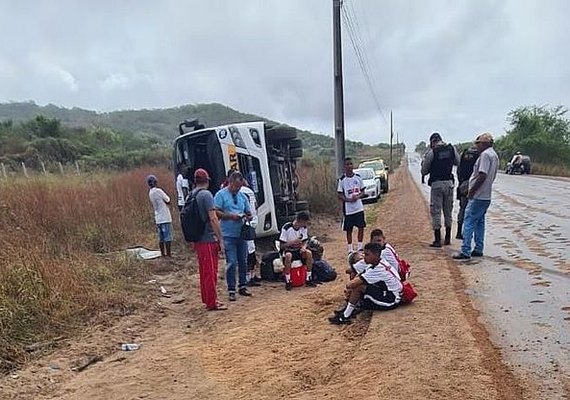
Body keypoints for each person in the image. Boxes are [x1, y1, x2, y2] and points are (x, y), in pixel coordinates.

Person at [329, 242, 402, 325]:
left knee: (358, 287)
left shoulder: (378, 269)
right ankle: (349, 310)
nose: (364, 257)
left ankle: (345, 316)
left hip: (391, 300)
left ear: (375, 255)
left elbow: (350, 285)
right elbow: (350, 271)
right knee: (360, 284)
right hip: (391, 293)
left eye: (367, 254)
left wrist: (351, 287)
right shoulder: (380, 262)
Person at [453, 133, 499, 260]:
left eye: (478, 144)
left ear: (484, 144)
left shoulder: (485, 155)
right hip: (486, 196)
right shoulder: (494, 155)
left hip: (478, 195)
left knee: (468, 222)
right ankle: (478, 248)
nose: (476, 146)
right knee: (480, 222)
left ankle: (465, 251)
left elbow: (482, 174)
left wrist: (472, 191)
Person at [189, 168, 227, 311]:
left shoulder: (191, 195)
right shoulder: (206, 195)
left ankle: (207, 298)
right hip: (207, 239)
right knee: (211, 272)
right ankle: (212, 302)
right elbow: (213, 218)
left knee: (204, 271)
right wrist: (220, 239)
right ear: (207, 181)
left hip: (198, 239)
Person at [214, 171, 253, 301]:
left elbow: (248, 211)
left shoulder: (242, 196)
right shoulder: (220, 195)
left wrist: (248, 216)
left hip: (241, 233)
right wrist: (230, 216)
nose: (237, 189)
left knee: (243, 260)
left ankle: (242, 285)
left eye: (239, 187)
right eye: (236, 186)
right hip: (228, 234)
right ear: (230, 183)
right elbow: (216, 212)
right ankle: (231, 288)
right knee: (231, 262)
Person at [421, 132, 460, 247]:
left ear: (433, 142)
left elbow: (424, 171)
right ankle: (447, 239)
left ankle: (437, 240)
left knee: (436, 211)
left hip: (436, 184)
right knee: (448, 210)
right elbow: (458, 162)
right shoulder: (451, 149)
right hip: (449, 183)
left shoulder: (432, 152)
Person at [279, 211, 317, 290]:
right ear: (300, 221)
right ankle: (288, 280)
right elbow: (282, 245)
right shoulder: (286, 228)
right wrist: (293, 242)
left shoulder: (303, 228)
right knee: (288, 256)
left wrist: (303, 247)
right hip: (289, 249)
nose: (305, 225)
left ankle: (308, 278)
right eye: (304, 223)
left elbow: (305, 240)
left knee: (309, 253)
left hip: (298, 249)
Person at [337, 157, 367, 254]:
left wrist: (357, 196)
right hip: (348, 209)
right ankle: (350, 248)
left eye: (350, 164)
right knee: (349, 229)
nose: (349, 166)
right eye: (347, 164)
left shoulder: (358, 177)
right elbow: (339, 194)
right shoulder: (342, 180)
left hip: (358, 207)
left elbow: (363, 191)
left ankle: (359, 246)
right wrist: (348, 199)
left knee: (361, 227)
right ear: (344, 167)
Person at [240, 180, 262, 286]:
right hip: (252, 223)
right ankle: (251, 277)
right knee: (251, 251)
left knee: (247, 252)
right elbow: (256, 205)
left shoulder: (234, 192)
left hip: (243, 224)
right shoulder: (249, 191)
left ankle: (248, 277)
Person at [456, 146, 480, 239]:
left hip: (463, 183)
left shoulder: (464, 153)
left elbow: (459, 170)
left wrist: (461, 182)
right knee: (473, 210)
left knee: (462, 208)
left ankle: (459, 232)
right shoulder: (479, 155)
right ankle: (469, 233)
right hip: (474, 184)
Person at [147, 174, 173, 257]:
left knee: (161, 238)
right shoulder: (158, 191)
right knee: (167, 237)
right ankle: (168, 254)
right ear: (155, 182)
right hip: (165, 216)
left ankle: (163, 254)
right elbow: (168, 200)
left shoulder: (150, 193)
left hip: (158, 217)